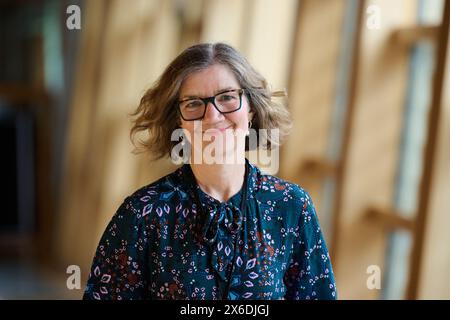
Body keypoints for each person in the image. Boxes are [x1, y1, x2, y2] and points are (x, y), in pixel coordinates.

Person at [83, 42, 337, 300]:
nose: (212, 116)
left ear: (250, 108)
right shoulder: (142, 214)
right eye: (193, 103)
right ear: (178, 120)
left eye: (227, 97)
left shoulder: (292, 207)